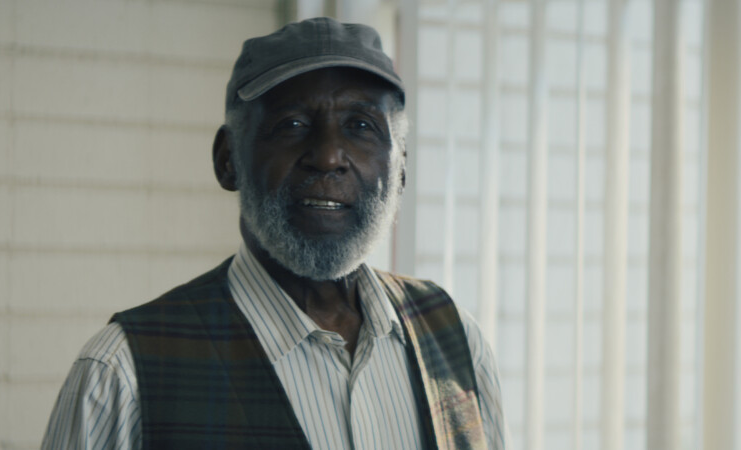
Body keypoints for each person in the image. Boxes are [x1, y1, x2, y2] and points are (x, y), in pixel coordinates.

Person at [42, 17, 505, 450]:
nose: (328, 156)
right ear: (228, 160)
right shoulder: (122, 373)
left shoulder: (456, 342)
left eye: (360, 126)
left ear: (400, 167)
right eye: (292, 125)